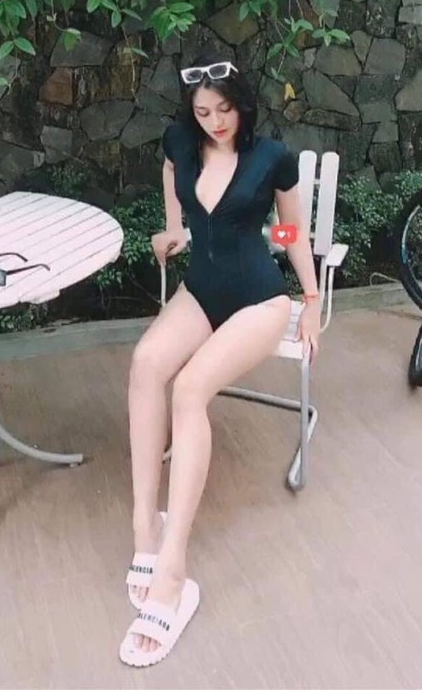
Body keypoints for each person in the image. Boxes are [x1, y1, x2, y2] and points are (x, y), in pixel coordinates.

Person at [118, 53, 323, 667]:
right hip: (201, 290)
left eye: (225, 109)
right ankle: (144, 526)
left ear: (243, 104)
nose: (215, 122)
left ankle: (173, 568)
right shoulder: (182, 143)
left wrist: (311, 299)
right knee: (146, 363)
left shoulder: (271, 158)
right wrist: (172, 226)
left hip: (260, 298)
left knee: (189, 390)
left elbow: (288, 232)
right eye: (204, 111)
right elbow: (170, 172)